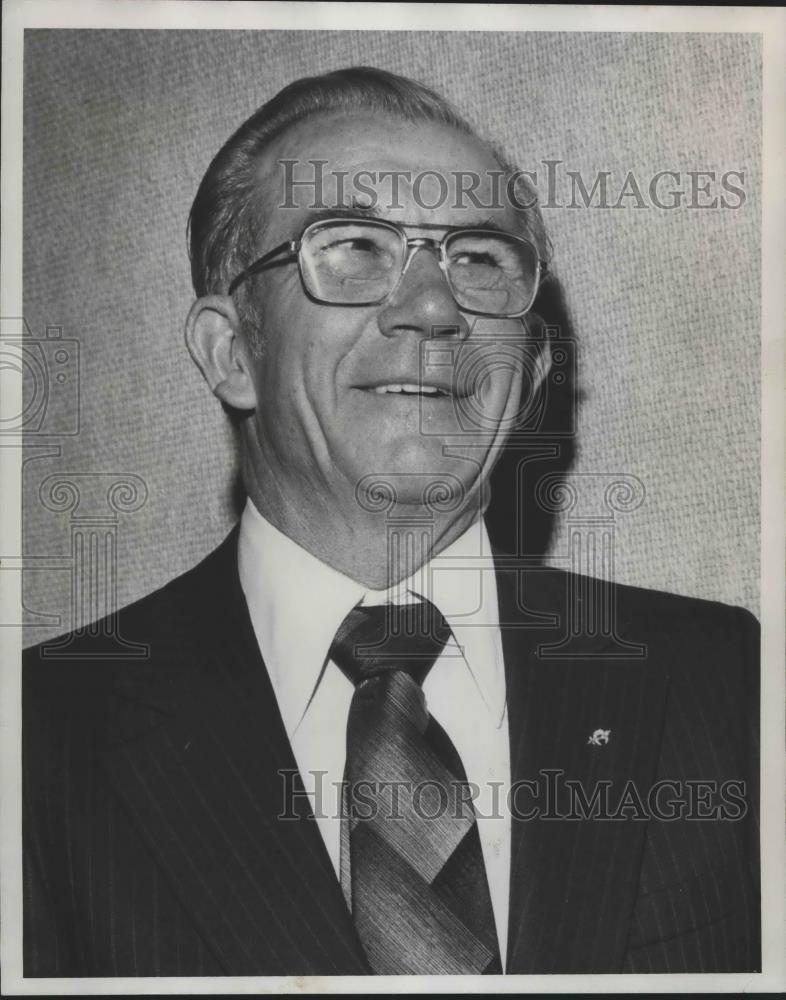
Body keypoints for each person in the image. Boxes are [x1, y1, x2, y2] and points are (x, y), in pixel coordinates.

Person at [22, 67, 759, 977]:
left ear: (525, 377)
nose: (432, 307)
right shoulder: (39, 740)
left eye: (478, 260)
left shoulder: (734, 685)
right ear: (230, 352)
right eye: (356, 248)